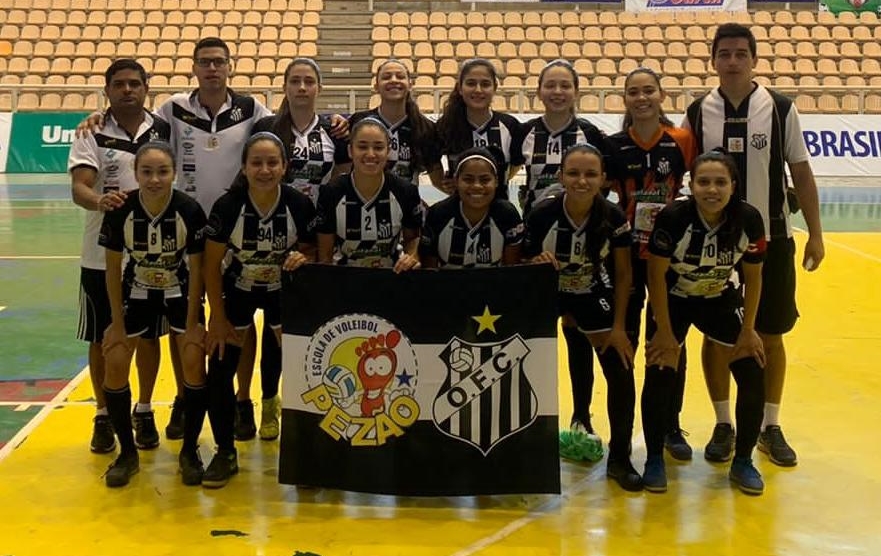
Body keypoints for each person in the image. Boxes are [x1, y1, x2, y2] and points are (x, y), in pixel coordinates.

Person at [78, 38, 347, 442]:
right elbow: (140, 128)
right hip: (183, 234)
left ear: (230, 66)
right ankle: (186, 400)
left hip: (237, 231)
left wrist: (335, 121)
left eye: (219, 62)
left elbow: (290, 126)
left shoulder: (253, 109)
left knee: (240, 320)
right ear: (194, 67)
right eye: (205, 62)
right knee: (186, 323)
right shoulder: (171, 110)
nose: (212, 69)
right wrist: (99, 116)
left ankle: (244, 401)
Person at [683, 23, 825, 467]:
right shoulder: (697, 111)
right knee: (716, 334)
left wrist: (817, 233)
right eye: (724, 53)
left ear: (754, 59)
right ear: (713, 60)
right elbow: (683, 175)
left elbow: (800, 171)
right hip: (711, 243)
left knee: (771, 332)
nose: (732, 61)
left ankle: (770, 425)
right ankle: (724, 423)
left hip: (773, 238)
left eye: (740, 53)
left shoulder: (781, 109)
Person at [644, 149, 768, 495]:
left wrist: (748, 331)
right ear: (691, 185)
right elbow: (655, 275)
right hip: (674, 301)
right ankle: (654, 458)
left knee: (754, 371)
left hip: (719, 299)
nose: (711, 190)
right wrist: (665, 332)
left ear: (733, 185)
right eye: (703, 182)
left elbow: (754, 279)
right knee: (659, 369)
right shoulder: (673, 216)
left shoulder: (748, 219)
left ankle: (742, 460)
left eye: (719, 182)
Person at [522, 144, 641, 492]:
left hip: (591, 291)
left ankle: (620, 457)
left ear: (604, 179)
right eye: (573, 173)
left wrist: (619, 329)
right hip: (546, 293)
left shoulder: (614, 217)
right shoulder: (541, 213)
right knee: (516, 363)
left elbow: (622, 275)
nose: (582, 180)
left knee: (621, 366)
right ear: (561, 177)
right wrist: (533, 263)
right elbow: (515, 262)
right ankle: (522, 449)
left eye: (591, 174)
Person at [202, 132, 317, 488]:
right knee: (220, 369)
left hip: (284, 292)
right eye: (257, 163)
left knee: (302, 368)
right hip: (238, 289)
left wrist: (305, 256)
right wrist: (217, 320)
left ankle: (306, 452)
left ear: (284, 167)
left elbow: (314, 251)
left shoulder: (298, 204)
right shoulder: (228, 207)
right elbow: (210, 266)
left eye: (272, 163)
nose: (264, 170)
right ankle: (225, 451)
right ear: (244, 167)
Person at [69, 59, 171, 455]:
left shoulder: (163, 129)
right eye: (119, 84)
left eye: (134, 83)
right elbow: (79, 188)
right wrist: (100, 201)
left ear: (147, 87)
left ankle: (143, 409)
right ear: (107, 89)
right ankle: (102, 413)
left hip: (154, 257)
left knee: (149, 336)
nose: (127, 90)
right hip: (100, 254)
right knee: (102, 337)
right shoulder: (91, 132)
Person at [98, 141, 207, 487]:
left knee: (192, 358)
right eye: (147, 172)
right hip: (137, 291)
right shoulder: (121, 210)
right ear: (136, 173)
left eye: (162, 172)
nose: (155, 179)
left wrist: (192, 324)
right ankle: (127, 454)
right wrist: (115, 324)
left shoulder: (189, 210)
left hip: (180, 292)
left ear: (174, 173)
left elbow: (199, 270)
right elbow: (112, 271)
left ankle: (190, 451)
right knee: (115, 360)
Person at [606, 67, 698, 461]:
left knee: (669, 336)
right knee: (624, 337)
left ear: (662, 96)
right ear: (624, 99)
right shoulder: (612, 146)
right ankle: (622, 432)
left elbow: (708, 182)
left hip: (668, 254)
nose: (641, 98)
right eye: (633, 92)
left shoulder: (682, 140)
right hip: (626, 255)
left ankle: (670, 423)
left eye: (648, 91)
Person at [518, 59, 611, 447]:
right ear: (539, 91)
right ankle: (531, 417)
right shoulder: (522, 133)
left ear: (576, 91)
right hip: (536, 251)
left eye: (565, 86)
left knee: (578, 337)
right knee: (533, 341)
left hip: (581, 250)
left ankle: (581, 415)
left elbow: (607, 187)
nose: (557, 92)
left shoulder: (590, 134)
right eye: (550, 85)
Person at [315, 117, 423, 272]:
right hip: (345, 282)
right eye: (362, 147)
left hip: (391, 280)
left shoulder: (405, 191)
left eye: (378, 147)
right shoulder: (331, 192)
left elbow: (412, 239)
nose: (371, 154)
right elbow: (324, 257)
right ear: (350, 151)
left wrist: (412, 257)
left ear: (388, 151)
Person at [249, 58, 351, 205]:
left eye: (309, 82)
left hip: (317, 220)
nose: (302, 87)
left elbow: (340, 182)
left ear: (319, 89)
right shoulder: (265, 128)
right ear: (284, 88)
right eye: (295, 81)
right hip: (274, 216)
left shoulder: (335, 131)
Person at [435, 58, 525, 200]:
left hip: (500, 211)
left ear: (495, 87)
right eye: (471, 83)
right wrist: (447, 186)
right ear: (460, 88)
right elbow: (433, 168)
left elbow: (514, 167)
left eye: (485, 84)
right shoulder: (445, 126)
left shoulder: (511, 126)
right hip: (458, 210)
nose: (478, 90)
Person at [349, 59, 445, 191]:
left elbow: (438, 179)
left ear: (410, 85)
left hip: (406, 206)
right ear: (376, 86)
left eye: (400, 76)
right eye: (386, 77)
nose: (394, 80)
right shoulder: (359, 121)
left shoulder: (425, 128)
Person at [420, 146, 523, 268]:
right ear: (456, 181)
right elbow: (429, 273)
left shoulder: (507, 215)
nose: (477, 186)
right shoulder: (438, 215)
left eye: (485, 180)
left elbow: (512, 272)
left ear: (496, 181)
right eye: (468, 180)